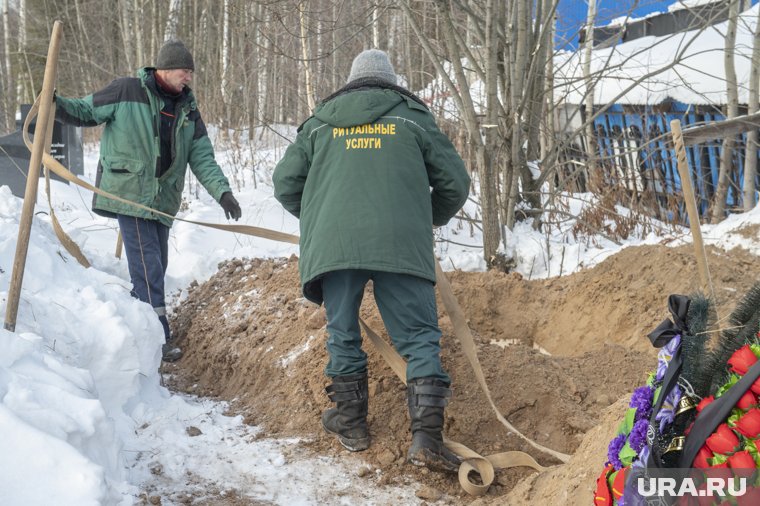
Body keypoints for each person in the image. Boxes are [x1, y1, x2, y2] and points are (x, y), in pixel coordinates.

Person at [272, 49, 470, 472]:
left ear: (351, 81)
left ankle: (352, 426)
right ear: (392, 82)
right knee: (419, 337)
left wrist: (321, 219)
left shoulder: (320, 122)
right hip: (400, 242)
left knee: (342, 332)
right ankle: (426, 442)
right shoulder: (413, 117)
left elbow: (285, 183)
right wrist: (421, 220)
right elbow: (456, 183)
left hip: (336, 245)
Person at [55, 39, 242, 362]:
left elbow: (202, 158)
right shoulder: (127, 91)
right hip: (131, 195)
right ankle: (157, 338)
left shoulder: (188, 108)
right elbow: (85, 110)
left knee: (156, 266)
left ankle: (137, 327)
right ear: (166, 69)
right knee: (147, 267)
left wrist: (222, 192)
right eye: (186, 71)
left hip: (162, 201)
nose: (189, 78)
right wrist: (54, 103)